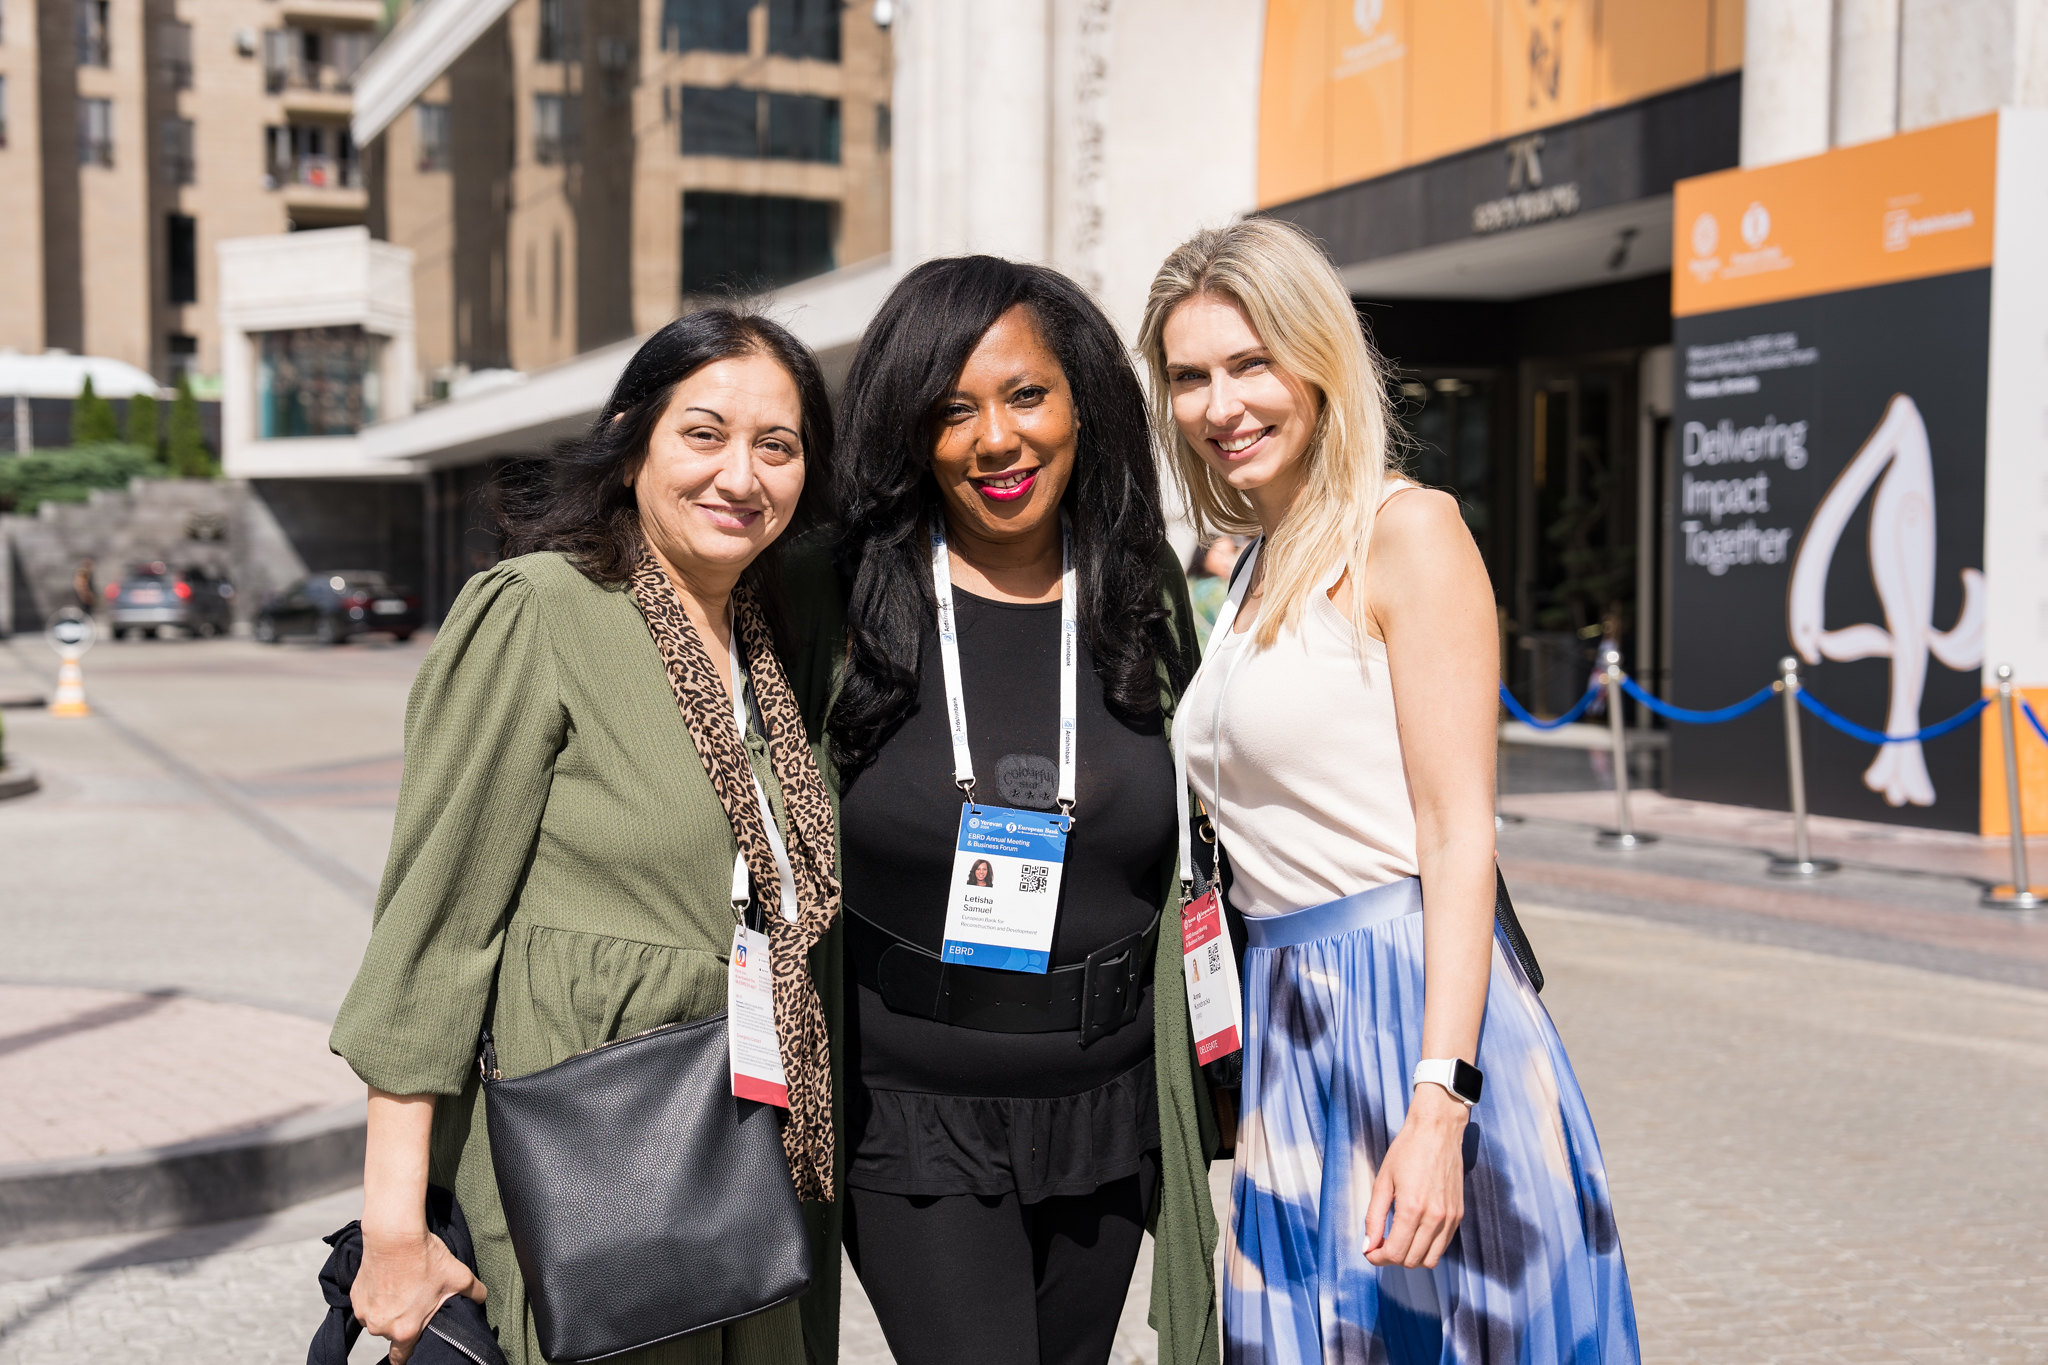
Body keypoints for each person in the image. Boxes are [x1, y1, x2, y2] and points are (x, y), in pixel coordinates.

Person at [1140, 219, 1639, 1363]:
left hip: (1407, 1010)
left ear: (1318, 360)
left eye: (1251, 363)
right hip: (1285, 1020)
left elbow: (1458, 835)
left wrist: (1438, 1099)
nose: (1221, 404)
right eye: (1188, 376)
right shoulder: (1259, 557)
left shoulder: (1406, 533)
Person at [329, 310, 845, 1365]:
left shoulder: (766, 633)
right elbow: (433, 933)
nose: (739, 475)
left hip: (747, 1146)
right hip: (592, 1149)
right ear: (630, 443)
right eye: (702, 434)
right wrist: (394, 1229)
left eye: (776, 446)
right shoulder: (540, 610)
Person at [799, 256, 1222, 1365]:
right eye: (951, 410)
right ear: (908, 431)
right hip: (910, 1110)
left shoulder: (1138, 589)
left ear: (1081, 398)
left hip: (1109, 1103)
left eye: (1026, 395)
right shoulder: (838, 598)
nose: (995, 440)